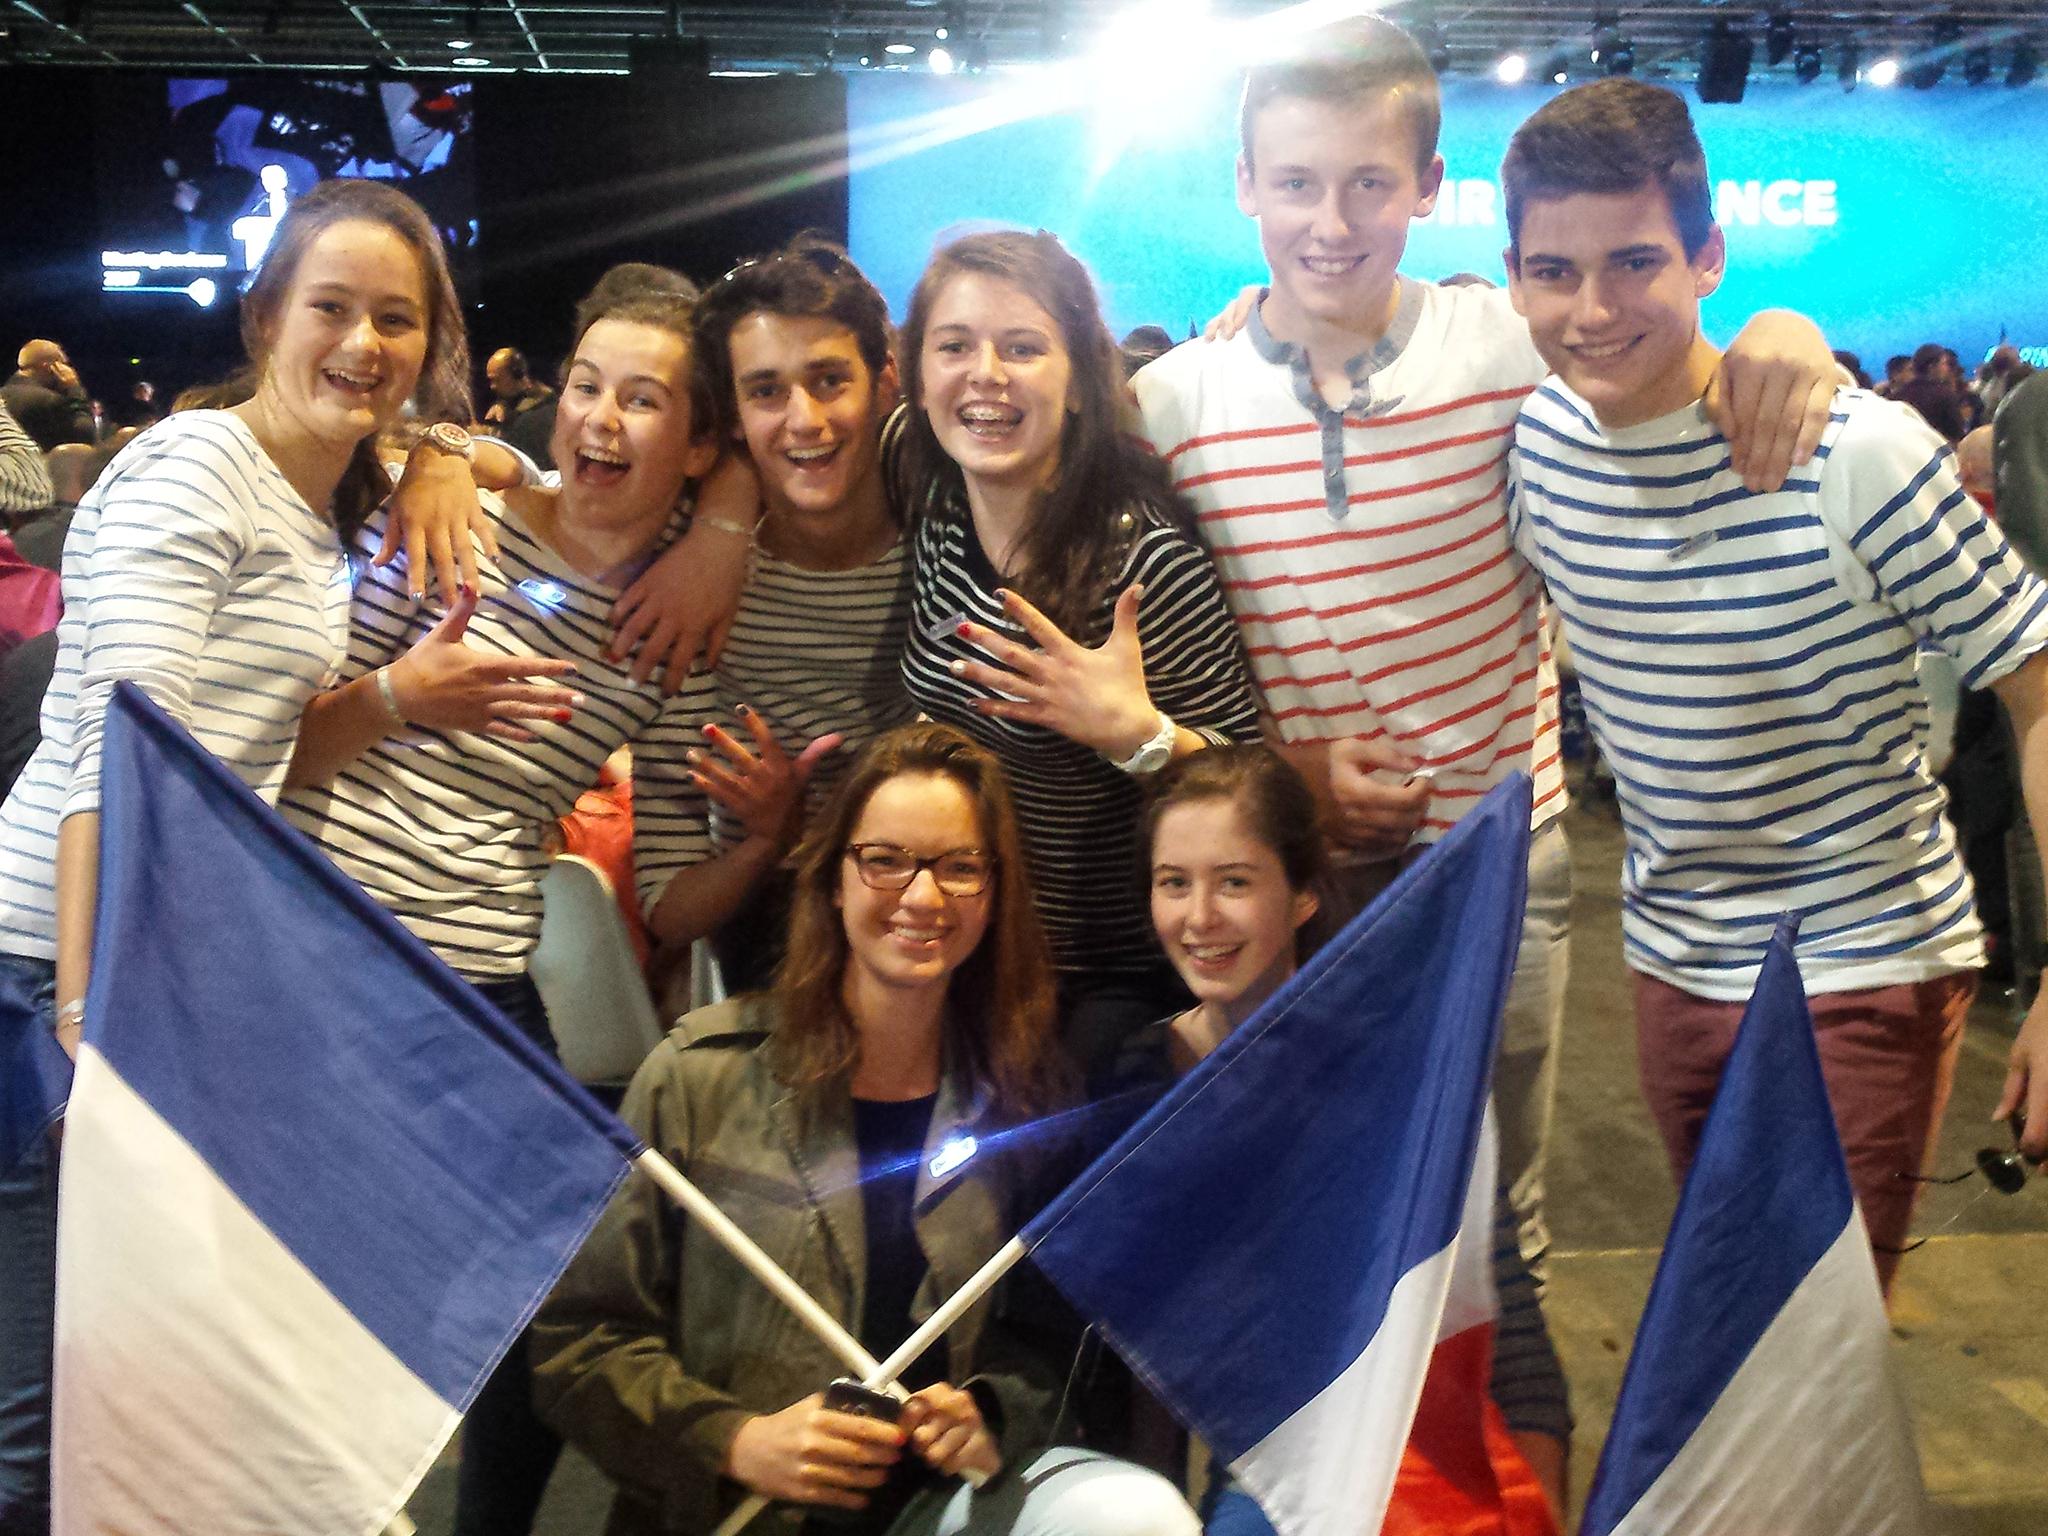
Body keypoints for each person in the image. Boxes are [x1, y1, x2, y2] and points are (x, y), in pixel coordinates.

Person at [1132, 13, 1839, 1276]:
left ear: (1426, 187)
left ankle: (1496, 1469)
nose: (1329, 223)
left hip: (1505, 871)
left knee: (1500, 1229)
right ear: (1245, 185)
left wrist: (1784, 331)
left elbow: (1676, 350)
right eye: (1294, 183)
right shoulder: (1176, 402)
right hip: (1292, 883)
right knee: (1303, 1206)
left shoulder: (1508, 349)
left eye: (1366, 183)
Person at [280, 266, 818, 1536]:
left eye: (643, 402)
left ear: (696, 447)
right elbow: (253, 744)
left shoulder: (683, 627)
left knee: (555, 1277)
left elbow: (678, 912)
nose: (597, 422)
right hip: (307, 922)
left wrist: (767, 838)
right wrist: (438, 458)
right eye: (584, 387)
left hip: (470, 960)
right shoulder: (453, 504)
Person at [1497, 78, 2048, 1273]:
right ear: (1513, 276)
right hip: (1669, 967)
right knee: (1729, 1333)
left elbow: (2036, 683)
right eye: (1552, 272)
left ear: (1707, 256)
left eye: (1632, 262)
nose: (1589, 309)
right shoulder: (1535, 444)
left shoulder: (1852, 452)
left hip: (1860, 967)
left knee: (1810, 1360)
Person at [0, 177, 469, 1536]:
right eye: (332, 309)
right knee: (37, 1421)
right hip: (50, 969)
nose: (364, 344)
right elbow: (114, 752)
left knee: (115, 1400)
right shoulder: (194, 471)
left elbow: (242, 757)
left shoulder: (306, 496)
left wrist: (388, 698)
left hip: (150, 971)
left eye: (397, 318)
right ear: (267, 317)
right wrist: (95, 1025)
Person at [533, 722, 1198, 1536]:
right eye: (886, 860)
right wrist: (734, 1440)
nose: (923, 898)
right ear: (834, 878)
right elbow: (578, 1342)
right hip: (738, 1513)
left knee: (1134, 1517)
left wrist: (988, 1410)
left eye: (959, 868)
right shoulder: (698, 1075)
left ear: (994, 893)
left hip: (933, 1511)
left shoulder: (1026, 1094)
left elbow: (1048, 1342)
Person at [1133, 745, 1570, 1531]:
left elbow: (1513, 1338)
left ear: (1302, 895)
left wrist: (1538, 1505)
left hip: (1417, 1472)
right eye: (1174, 883)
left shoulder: (1398, 1074)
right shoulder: (1134, 1083)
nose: (1198, 917)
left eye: (1234, 881)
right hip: (1263, 1487)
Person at [897, 230, 1262, 1075]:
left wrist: (1135, 735)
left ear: (1076, 386)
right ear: (918, 377)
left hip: (1108, 987)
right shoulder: (937, 505)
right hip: (968, 948)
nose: (984, 374)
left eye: (1022, 348)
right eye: (954, 347)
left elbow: (1252, 796)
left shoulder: (1141, 563)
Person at [678, 236, 919, 991]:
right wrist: (445, 453)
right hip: (771, 924)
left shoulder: (953, 528)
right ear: (736, 417)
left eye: (828, 381)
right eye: (766, 391)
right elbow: (563, 492)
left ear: (884, 384)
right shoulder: (693, 549)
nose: (804, 419)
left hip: (945, 900)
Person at [0, 343, 94, 453]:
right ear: (50, 367)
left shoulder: (2, 394)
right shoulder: (50, 401)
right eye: (64, 364)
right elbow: (86, 435)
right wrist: (75, 388)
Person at [484, 345, 560, 468]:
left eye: (497, 380)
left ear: (517, 374)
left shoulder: (542, 407)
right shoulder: (506, 404)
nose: (492, 386)